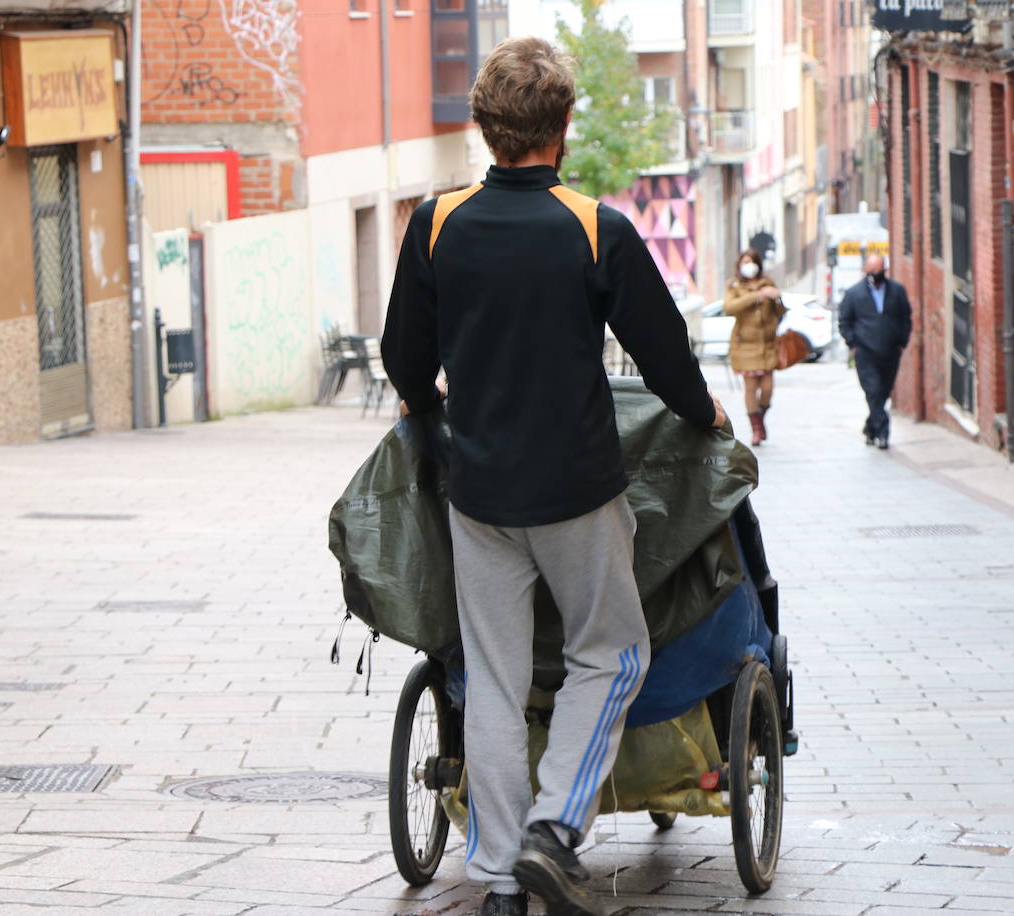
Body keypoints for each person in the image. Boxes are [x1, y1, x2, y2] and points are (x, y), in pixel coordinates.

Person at [380, 36, 726, 916]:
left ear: (485, 127)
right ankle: (555, 830)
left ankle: (499, 882)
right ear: (562, 128)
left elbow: (402, 356)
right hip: (576, 490)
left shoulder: (436, 223)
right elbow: (662, 352)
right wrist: (703, 415)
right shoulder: (593, 227)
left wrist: (427, 405)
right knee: (612, 654)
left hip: (480, 494)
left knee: (493, 679)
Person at [837, 253, 913, 449]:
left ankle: (871, 427)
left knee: (883, 392)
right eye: (871, 270)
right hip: (865, 352)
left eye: (879, 270)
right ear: (864, 270)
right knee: (873, 390)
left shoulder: (897, 291)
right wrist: (853, 343)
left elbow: (906, 317)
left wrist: (902, 341)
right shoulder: (854, 294)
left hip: (890, 351)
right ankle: (883, 433)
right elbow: (845, 321)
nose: (875, 274)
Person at [722, 249, 785, 446]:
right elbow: (729, 307)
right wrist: (756, 296)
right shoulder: (734, 285)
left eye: (751, 261)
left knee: (767, 389)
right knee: (750, 388)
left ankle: (760, 418)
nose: (748, 264)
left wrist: (776, 297)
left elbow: (780, 311)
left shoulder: (768, 282)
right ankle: (756, 429)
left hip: (767, 344)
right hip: (745, 344)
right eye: (745, 261)